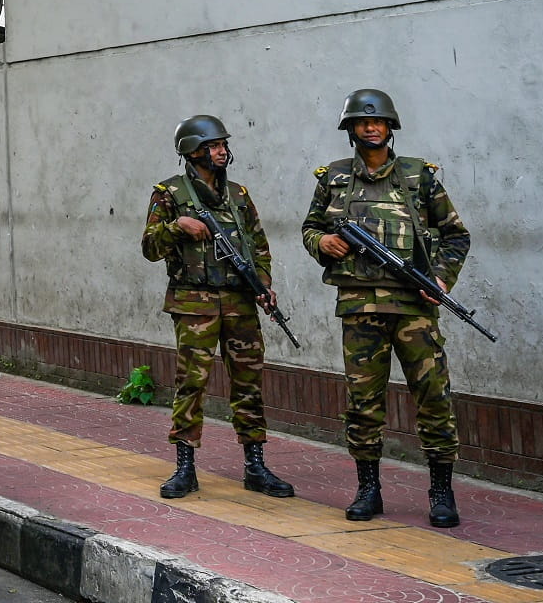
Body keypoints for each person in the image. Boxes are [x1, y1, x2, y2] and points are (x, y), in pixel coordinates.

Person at [303, 88, 471, 527]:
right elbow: (310, 227)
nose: (371, 127)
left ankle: (440, 489)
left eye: (378, 121)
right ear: (351, 129)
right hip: (360, 308)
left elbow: (456, 235)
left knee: (434, 398)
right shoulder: (334, 178)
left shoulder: (420, 176)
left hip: (414, 307)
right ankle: (368, 487)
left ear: (391, 127)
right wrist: (321, 242)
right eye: (362, 121)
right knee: (363, 403)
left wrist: (440, 278)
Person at [141, 115, 295, 500]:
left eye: (223, 145)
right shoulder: (169, 194)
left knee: (248, 384)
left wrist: (264, 285)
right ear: (192, 152)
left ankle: (255, 465)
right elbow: (149, 247)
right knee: (191, 384)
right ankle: (185, 467)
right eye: (213, 146)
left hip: (241, 302)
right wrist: (179, 227)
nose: (222, 151)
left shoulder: (239, 195)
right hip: (194, 302)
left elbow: (258, 245)